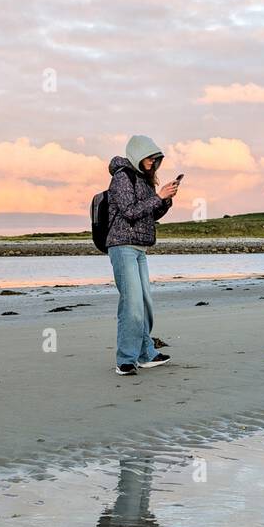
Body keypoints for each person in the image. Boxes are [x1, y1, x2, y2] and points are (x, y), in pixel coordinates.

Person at [105, 135, 180, 374]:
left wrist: (165, 201)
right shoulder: (122, 177)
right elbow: (129, 212)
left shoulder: (144, 180)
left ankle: (146, 353)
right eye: (149, 157)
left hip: (140, 247)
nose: (153, 162)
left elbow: (149, 215)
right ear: (137, 155)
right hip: (122, 245)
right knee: (132, 304)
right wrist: (159, 196)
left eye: (156, 158)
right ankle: (125, 359)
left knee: (144, 304)